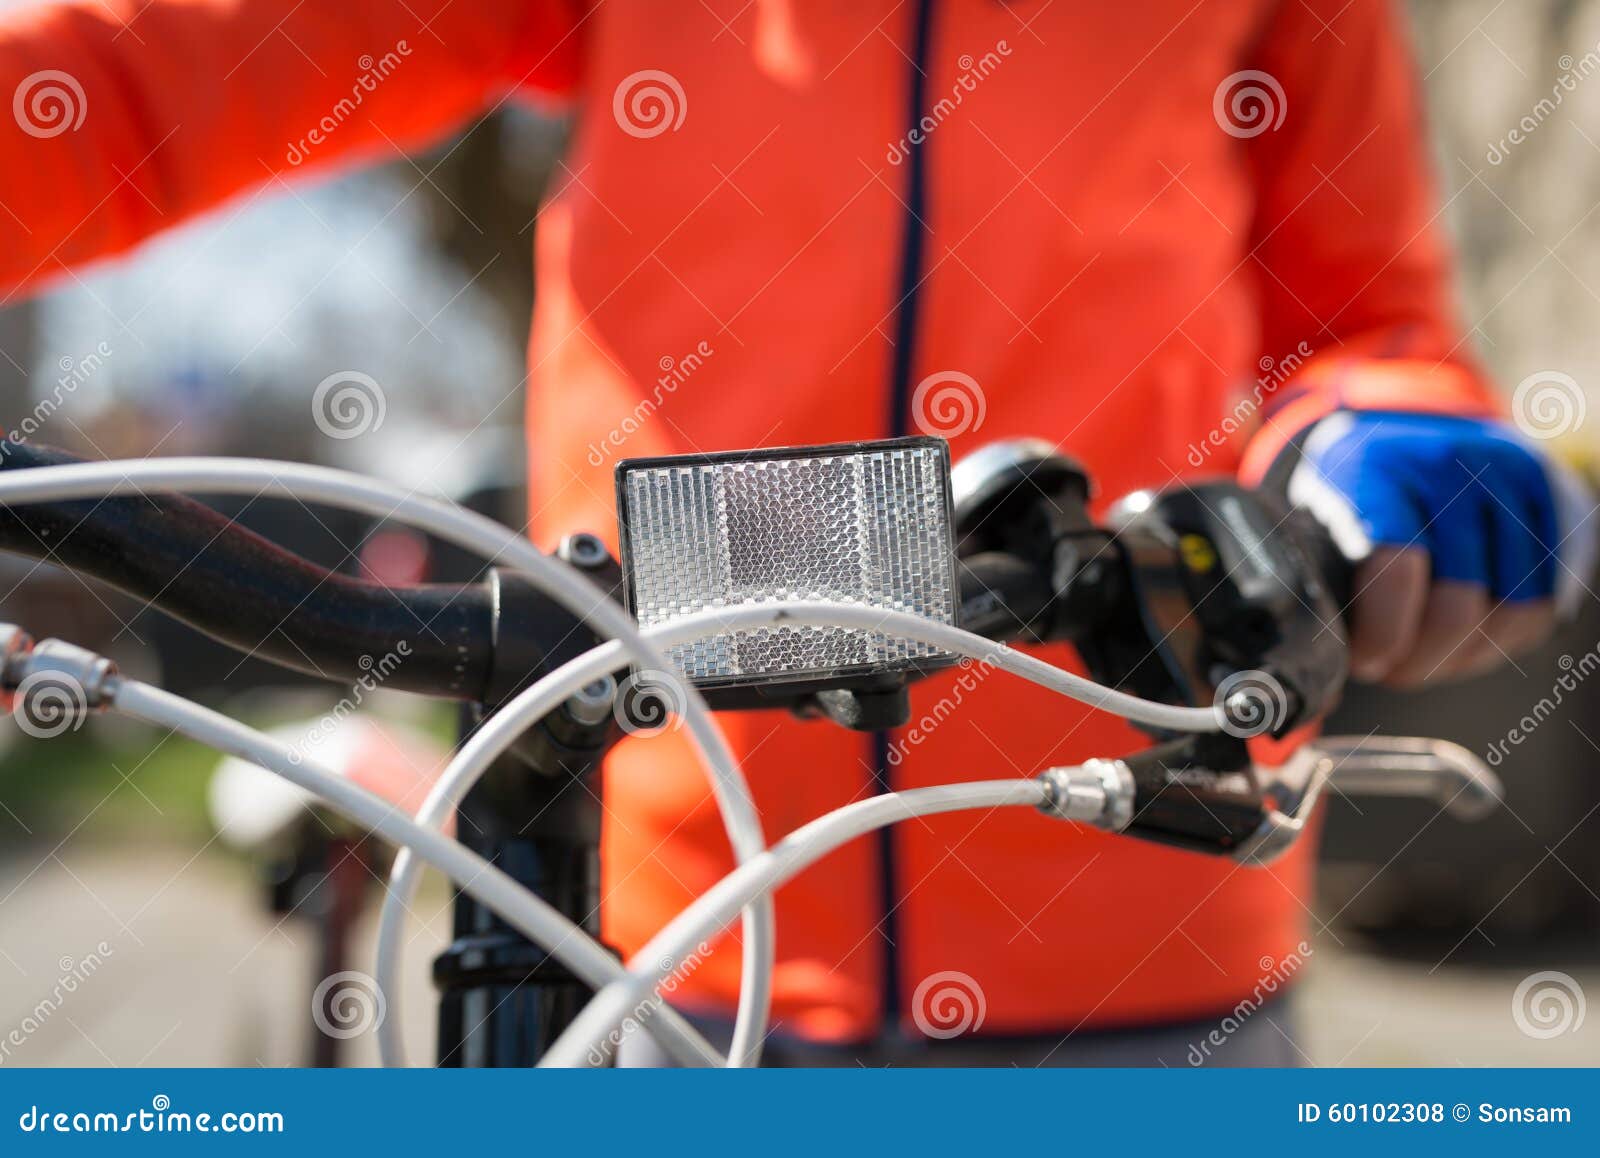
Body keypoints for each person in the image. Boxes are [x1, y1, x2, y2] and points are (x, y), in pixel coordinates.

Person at [1, 0, 1590, 1065]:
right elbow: (158, 65)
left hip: (1145, 930)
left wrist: (1395, 439)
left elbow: (1364, 309)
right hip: (657, 914)